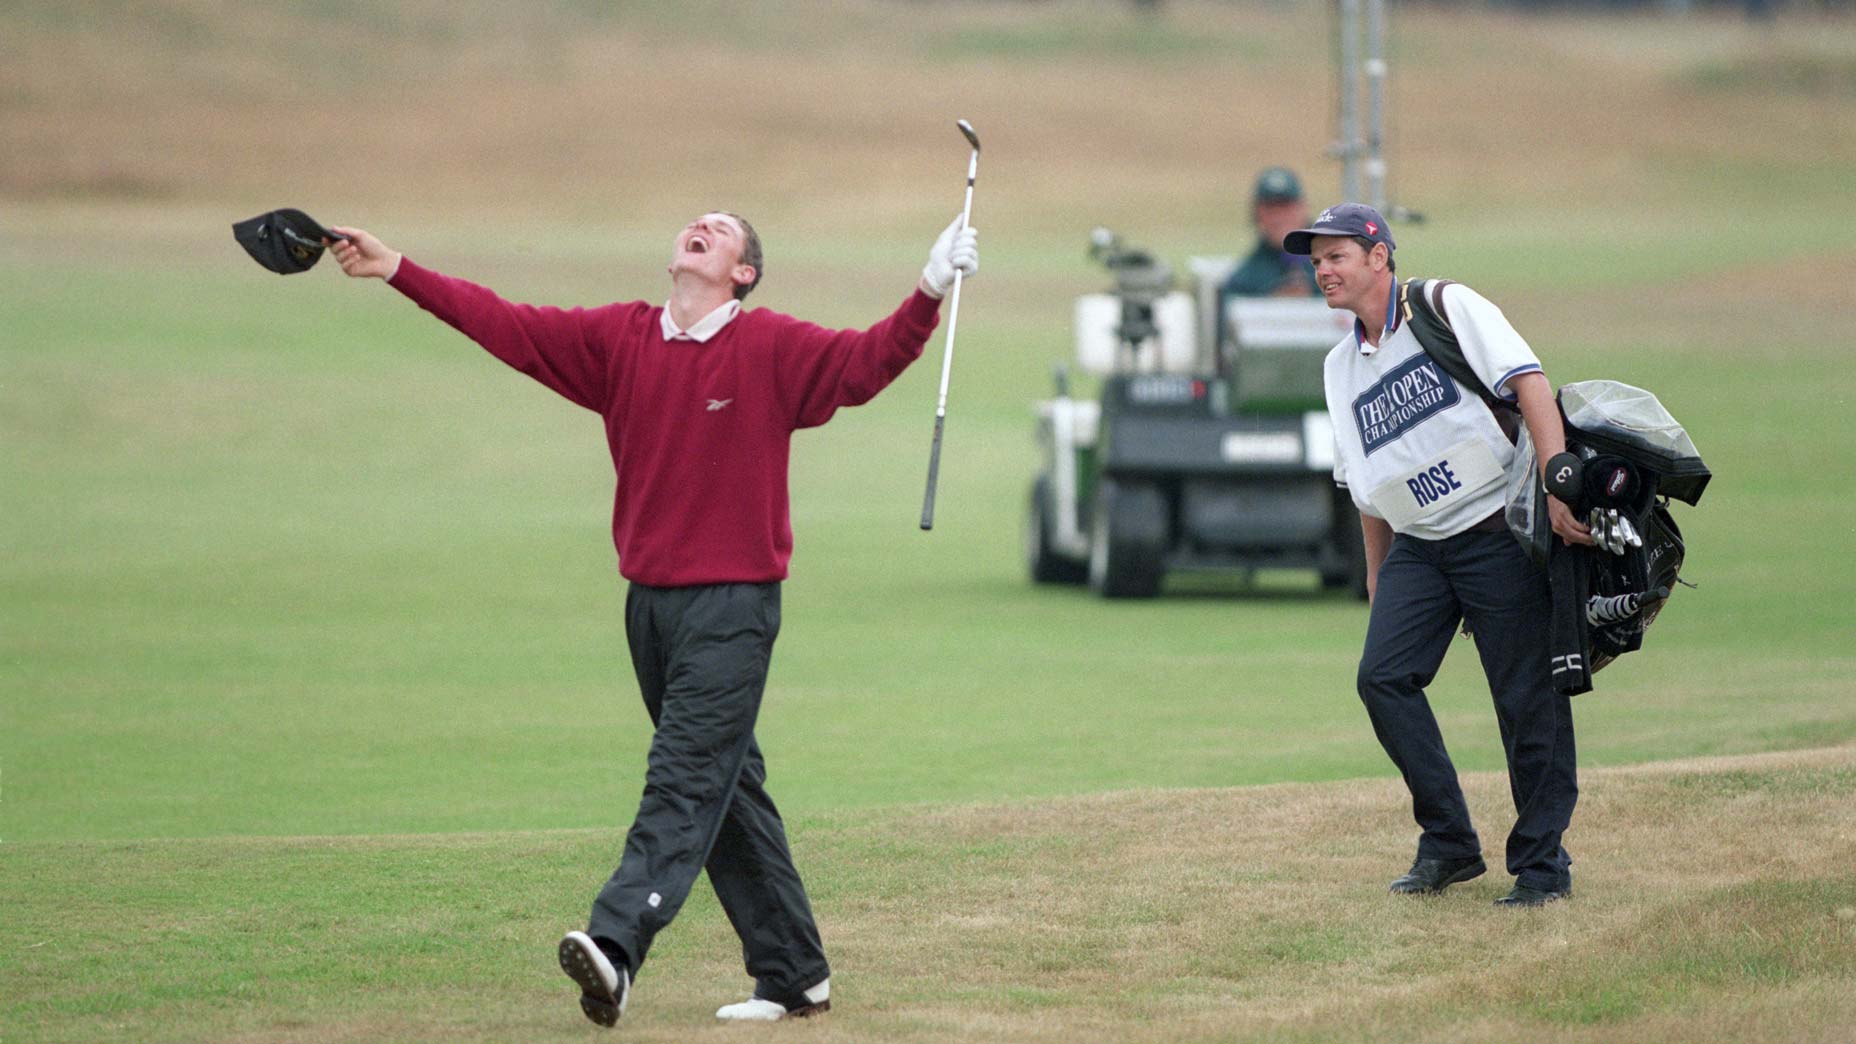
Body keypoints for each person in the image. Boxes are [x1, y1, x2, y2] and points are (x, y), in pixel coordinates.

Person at [327, 210, 979, 1024]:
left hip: (733, 607)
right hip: (650, 609)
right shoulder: (620, 340)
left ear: (743, 273)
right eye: (696, 222)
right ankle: (794, 974)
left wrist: (929, 287)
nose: (701, 226)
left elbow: (867, 362)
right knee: (727, 791)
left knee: (683, 778)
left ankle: (617, 944)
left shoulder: (771, 346)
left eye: (723, 229)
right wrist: (396, 268)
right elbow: (504, 324)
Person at [1283, 203, 1593, 907]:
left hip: (1496, 532)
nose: (1323, 270)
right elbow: (1362, 483)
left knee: (1526, 701)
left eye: (1336, 256)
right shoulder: (1339, 366)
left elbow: (1529, 382)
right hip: (1419, 548)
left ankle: (1542, 866)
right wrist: (1376, 572)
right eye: (1317, 261)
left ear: (1379, 257)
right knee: (1382, 678)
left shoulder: (1445, 306)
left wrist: (1557, 484)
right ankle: (1450, 841)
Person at [1220, 166, 1320, 301]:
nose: (1278, 217)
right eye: (1270, 209)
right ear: (1256, 215)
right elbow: (1231, 307)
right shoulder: (1245, 280)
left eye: (1285, 206)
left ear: (1303, 208)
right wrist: (1273, 302)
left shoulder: (1336, 260)